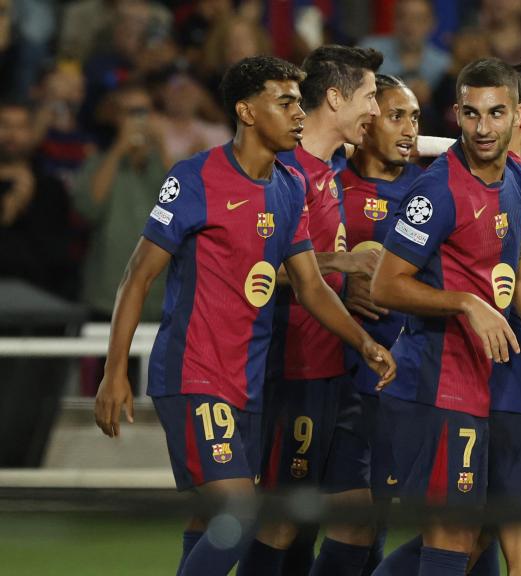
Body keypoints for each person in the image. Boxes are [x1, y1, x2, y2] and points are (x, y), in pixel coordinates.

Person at [92, 55, 396, 576]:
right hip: (194, 373)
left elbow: (310, 286)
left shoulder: (289, 186)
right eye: (285, 103)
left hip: (250, 383)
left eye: (301, 103)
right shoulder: (194, 178)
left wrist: (363, 343)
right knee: (241, 513)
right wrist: (113, 371)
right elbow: (136, 278)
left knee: (206, 524)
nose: (299, 114)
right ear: (246, 111)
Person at [369, 57, 521, 576]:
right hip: (435, 385)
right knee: (454, 532)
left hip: (485, 388)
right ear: (457, 115)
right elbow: (386, 283)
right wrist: (466, 303)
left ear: (520, 116)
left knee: (474, 537)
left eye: (494, 114)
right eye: (471, 114)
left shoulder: (518, 180)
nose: (482, 128)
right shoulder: (437, 190)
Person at [236, 46, 386, 576]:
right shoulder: (284, 172)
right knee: (282, 520)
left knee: (355, 517)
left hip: (335, 370)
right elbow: (258, 271)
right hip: (293, 369)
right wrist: (337, 262)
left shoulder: (330, 168)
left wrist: (352, 285)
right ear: (336, 98)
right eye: (369, 96)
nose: (375, 108)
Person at [339, 73, 425, 575]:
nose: (410, 128)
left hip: (404, 377)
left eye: (415, 117)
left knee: (382, 516)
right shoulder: (329, 184)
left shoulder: (430, 188)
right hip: (337, 372)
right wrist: (338, 281)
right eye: (397, 116)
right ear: (367, 123)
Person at [73, 82, 171, 322]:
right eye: (131, 112)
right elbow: (89, 209)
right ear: (116, 118)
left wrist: (162, 146)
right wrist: (119, 149)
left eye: (144, 111)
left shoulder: (168, 165)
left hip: (162, 296)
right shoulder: (98, 163)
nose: (139, 120)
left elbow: (188, 208)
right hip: (109, 295)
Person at [0, 100, 75, 300]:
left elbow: (58, 253)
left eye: (21, 127)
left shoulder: (51, 187)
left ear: (32, 133)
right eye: (5, 125)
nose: (12, 134)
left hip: (42, 302)